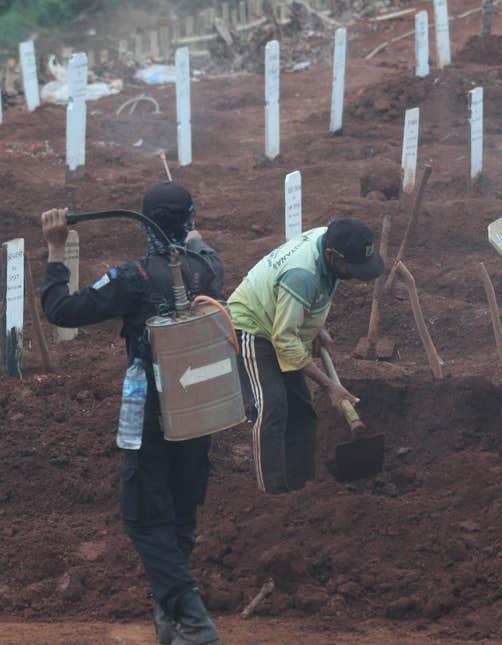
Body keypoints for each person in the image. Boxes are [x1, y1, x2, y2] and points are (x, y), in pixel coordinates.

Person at [40, 182, 223, 644]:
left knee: (142, 516)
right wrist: (190, 231)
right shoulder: (209, 270)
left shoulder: (133, 277)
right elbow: (200, 248)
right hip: (198, 414)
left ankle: (194, 620)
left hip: (150, 419)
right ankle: (172, 622)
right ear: (187, 219)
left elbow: (59, 309)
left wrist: (57, 248)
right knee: (180, 516)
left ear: (145, 221)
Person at [228, 219, 383, 495]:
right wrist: (329, 385)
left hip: (281, 319)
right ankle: (272, 495)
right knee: (271, 406)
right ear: (331, 256)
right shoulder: (303, 275)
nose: (356, 275)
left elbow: (308, 298)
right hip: (251, 326)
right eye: (353, 269)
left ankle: (302, 491)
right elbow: (284, 338)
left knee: (302, 412)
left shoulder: (330, 238)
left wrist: (314, 325)